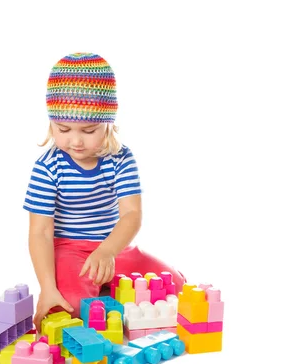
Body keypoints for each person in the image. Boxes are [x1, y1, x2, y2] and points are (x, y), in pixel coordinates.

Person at [23, 52, 186, 331]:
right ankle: (99, 296)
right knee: (71, 306)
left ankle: (109, 294)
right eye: (63, 129)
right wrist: (47, 288)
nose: (75, 141)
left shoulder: (121, 159)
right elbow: (40, 232)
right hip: (69, 250)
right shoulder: (48, 167)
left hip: (115, 247)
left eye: (88, 130)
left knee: (176, 287)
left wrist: (107, 251)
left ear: (108, 122)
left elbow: (131, 215)